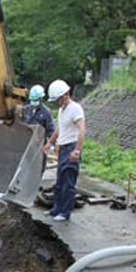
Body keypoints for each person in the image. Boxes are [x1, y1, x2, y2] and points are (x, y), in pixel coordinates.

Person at [42, 79, 85, 222]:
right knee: (60, 181)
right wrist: (50, 142)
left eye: (57, 99)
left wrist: (77, 150)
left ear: (65, 95)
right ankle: (56, 209)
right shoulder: (62, 110)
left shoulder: (75, 108)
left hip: (72, 147)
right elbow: (60, 129)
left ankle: (65, 212)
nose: (56, 103)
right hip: (63, 148)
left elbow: (82, 130)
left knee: (68, 181)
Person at [22, 84, 55, 173]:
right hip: (25, 144)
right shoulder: (26, 109)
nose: (34, 102)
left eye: (36, 100)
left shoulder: (46, 112)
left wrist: (52, 144)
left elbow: (50, 130)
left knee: (38, 168)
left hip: (39, 145)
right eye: (33, 100)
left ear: (41, 99)